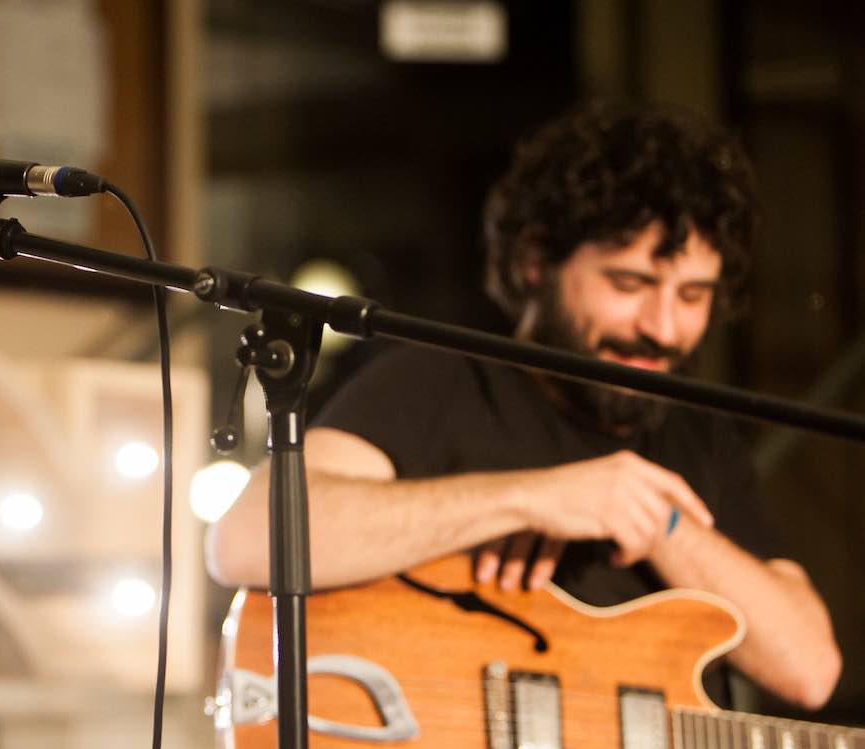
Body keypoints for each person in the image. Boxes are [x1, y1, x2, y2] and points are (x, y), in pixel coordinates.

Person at [206, 103, 841, 710]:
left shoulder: (698, 438)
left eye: (694, 295)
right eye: (630, 284)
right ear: (536, 259)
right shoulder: (442, 383)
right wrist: (531, 498)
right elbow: (245, 539)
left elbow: (810, 672)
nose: (664, 327)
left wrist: (660, 524)